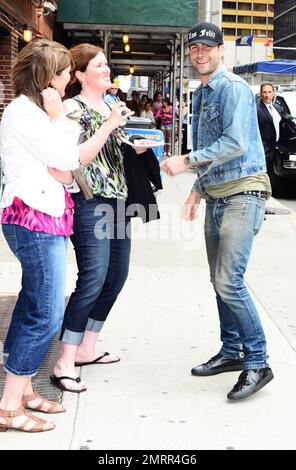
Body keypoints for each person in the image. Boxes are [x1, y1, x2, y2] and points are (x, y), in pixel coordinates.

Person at [0, 39, 130, 432]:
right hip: (32, 216)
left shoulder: (37, 112)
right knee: (45, 313)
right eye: (60, 74)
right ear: (45, 76)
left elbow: (63, 166)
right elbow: (67, 159)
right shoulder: (28, 113)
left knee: (32, 307)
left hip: (47, 214)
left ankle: (21, 392)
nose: (63, 82)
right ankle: (9, 407)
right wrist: (63, 120)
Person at [160, 22, 274, 401]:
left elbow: (236, 143)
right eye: (194, 49)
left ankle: (257, 361)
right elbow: (213, 146)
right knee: (219, 281)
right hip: (217, 196)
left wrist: (187, 162)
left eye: (207, 48)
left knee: (230, 280)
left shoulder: (233, 88)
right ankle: (232, 351)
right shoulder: (201, 95)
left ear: (221, 50)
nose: (200, 54)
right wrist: (197, 189)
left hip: (244, 193)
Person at [50, 44, 139, 394]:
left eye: (107, 64)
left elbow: (114, 155)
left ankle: (88, 346)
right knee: (93, 277)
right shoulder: (73, 108)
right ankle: (64, 360)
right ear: (80, 74)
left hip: (119, 200)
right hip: (89, 201)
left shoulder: (110, 107)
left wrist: (136, 146)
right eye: (99, 65)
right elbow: (71, 158)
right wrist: (109, 125)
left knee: (117, 275)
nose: (106, 69)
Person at [257, 82, 282, 175]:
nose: (267, 95)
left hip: (277, 150)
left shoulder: (278, 108)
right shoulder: (256, 110)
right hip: (263, 151)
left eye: (269, 92)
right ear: (260, 93)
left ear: (273, 93)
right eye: (264, 92)